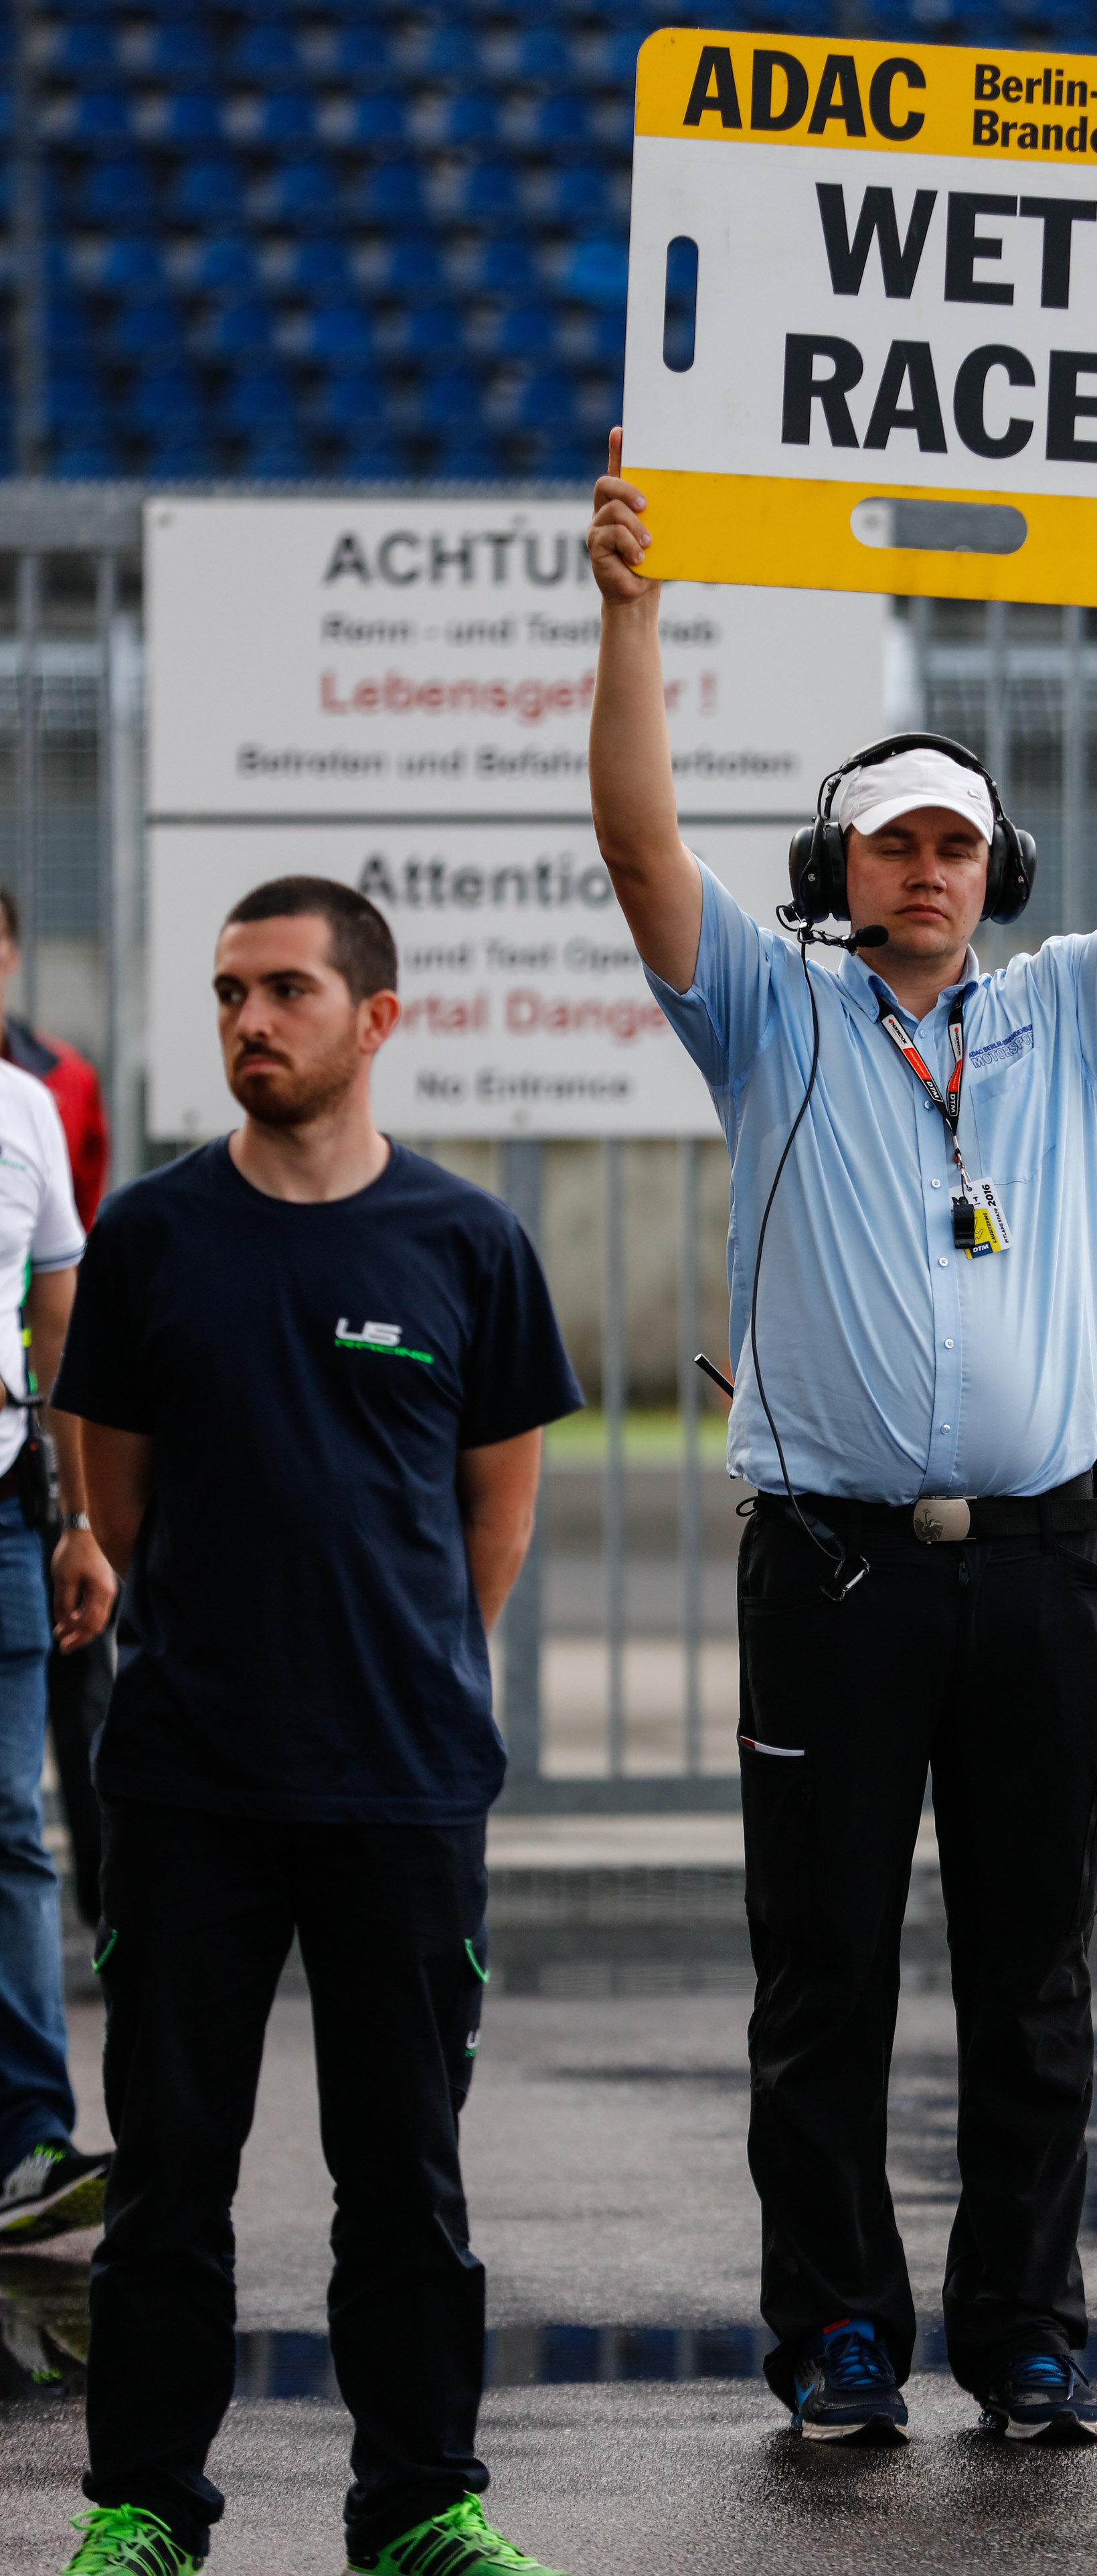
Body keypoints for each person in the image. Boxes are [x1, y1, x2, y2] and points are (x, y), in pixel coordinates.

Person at [585, 431, 1097, 2445]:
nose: (925, 868)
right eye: (891, 842)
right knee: (822, 1976)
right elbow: (639, 849)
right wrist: (632, 615)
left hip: (1041, 1564)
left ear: (998, 872)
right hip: (832, 1571)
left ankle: (1029, 2335)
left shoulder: (1064, 1007)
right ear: (838, 870)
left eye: (954, 845)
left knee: (1031, 1981)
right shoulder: (769, 1012)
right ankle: (835, 2334)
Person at [48, 877, 584, 2576]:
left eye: (285, 989)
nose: (249, 1021)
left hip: (405, 1787)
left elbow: (493, 1518)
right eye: (229, 993)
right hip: (190, 1781)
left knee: (405, 2178)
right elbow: (119, 1502)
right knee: (170, 2180)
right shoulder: (151, 1238)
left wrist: (401, 1668)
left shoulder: (468, 1243)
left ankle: (418, 2507)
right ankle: (146, 2507)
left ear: (377, 1017)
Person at [0, 1048, 117, 2253]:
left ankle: (29, 2139)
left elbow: (60, 1316)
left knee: (9, 1827)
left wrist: (77, 1520)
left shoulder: (31, 1104)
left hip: (7, 1510)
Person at [0, 884, 116, 1930]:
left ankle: (107, 1909)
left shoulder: (53, 1085)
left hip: (22, 1455)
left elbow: (65, 1271)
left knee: (76, 1697)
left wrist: (75, 1502)